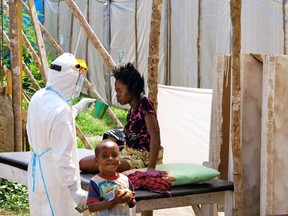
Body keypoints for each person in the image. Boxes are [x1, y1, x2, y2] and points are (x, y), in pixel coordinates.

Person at [27, 53, 95, 216]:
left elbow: (47, 121)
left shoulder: (39, 96)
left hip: (37, 170)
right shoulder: (61, 110)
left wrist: (77, 108)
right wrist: (74, 189)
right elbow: (62, 156)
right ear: (70, 79)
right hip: (54, 178)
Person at [79, 62, 163, 173]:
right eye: (116, 91)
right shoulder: (131, 112)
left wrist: (151, 169)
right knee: (86, 162)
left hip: (142, 159)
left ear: (132, 89)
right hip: (128, 154)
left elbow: (155, 135)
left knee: (92, 164)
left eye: (119, 91)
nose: (117, 95)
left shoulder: (144, 103)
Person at [87, 139, 136, 215]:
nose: (110, 158)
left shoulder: (125, 179)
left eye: (114, 155)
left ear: (119, 160)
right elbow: (92, 207)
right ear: (97, 161)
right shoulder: (95, 181)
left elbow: (132, 204)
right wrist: (114, 201)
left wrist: (130, 200)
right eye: (105, 156)